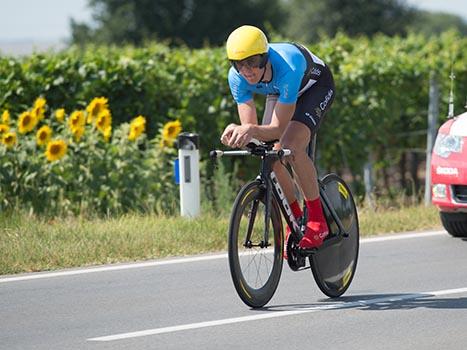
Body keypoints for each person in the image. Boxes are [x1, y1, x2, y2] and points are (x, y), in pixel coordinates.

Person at [220, 25, 335, 252]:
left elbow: (276, 128)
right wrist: (238, 132)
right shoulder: (237, 77)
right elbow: (251, 128)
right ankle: (295, 220)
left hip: (313, 88)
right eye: (238, 64)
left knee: (291, 147)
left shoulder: (287, 67)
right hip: (279, 91)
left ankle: (317, 220)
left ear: (265, 58)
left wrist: (251, 129)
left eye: (252, 62)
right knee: (269, 155)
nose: (246, 70)